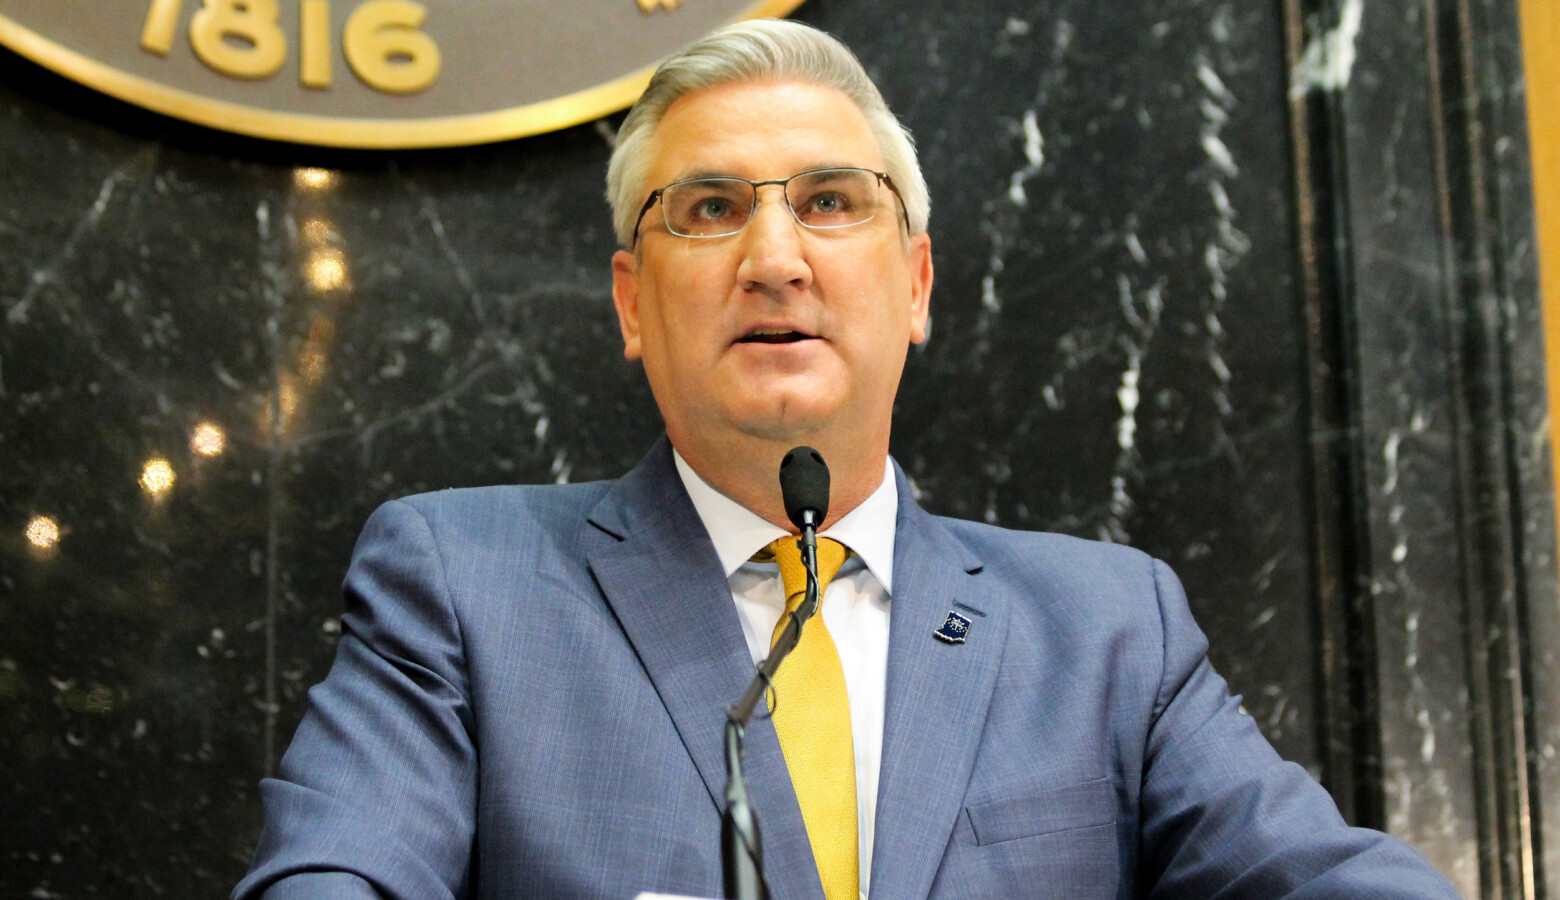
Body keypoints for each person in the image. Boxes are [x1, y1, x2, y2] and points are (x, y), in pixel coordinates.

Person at [234, 18, 1462, 900]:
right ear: (629, 303)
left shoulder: (1106, 631)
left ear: (916, 282)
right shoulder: (463, 583)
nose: (774, 257)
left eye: (831, 202)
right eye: (709, 209)